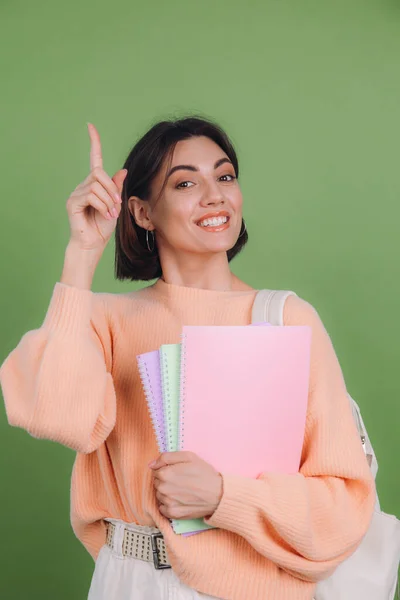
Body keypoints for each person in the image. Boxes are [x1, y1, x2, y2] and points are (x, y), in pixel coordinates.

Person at [0, 116, 375, 600]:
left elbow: (345, 506)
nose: (215, 195)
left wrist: (223, 496)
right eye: (184, 183)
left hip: (259, 587)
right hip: (130, 582)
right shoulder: (103, 320)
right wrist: (81, 256)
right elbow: (57, 417)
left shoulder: (287, 319)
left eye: (224, 176)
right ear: (141, 213)